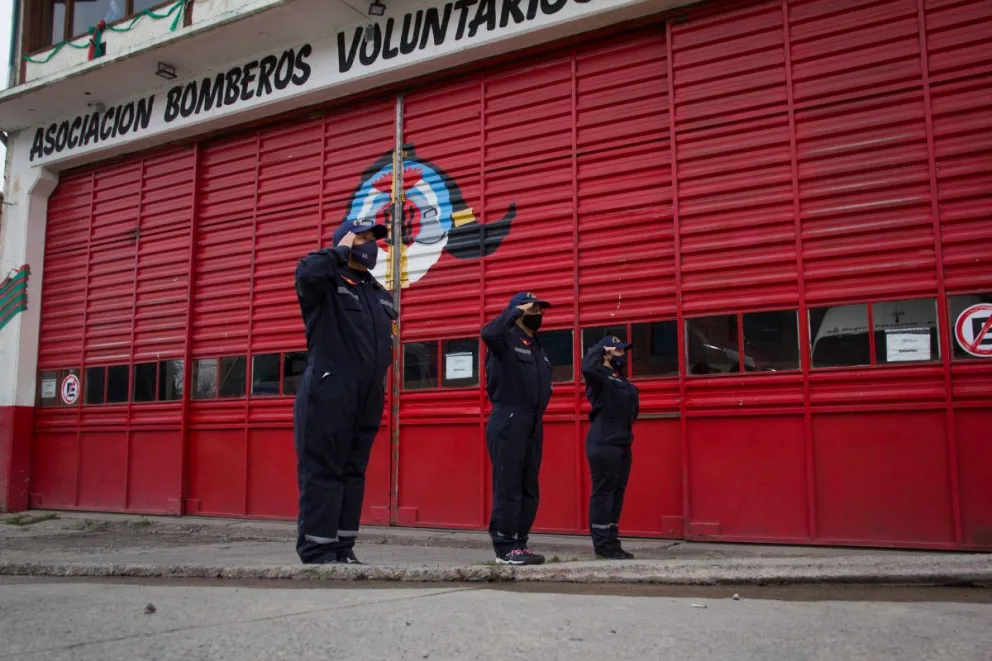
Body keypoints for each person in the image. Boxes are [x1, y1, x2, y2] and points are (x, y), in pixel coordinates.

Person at [292, 217, 395, 564]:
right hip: (330, 387)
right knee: (325, 469)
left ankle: (342, 548)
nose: (369, 244)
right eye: (362, 237)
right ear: (346, 241)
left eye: (373, 239)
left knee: (353, 472)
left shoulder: (377, 292)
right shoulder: (324, 281)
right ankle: (318, 550)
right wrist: (338, 251)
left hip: (367, 394)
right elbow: (306, 272)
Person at [481, 292, 554, 565]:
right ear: (519, 310)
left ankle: (520, 543)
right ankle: (504, 546)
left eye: (541, 310)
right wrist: (513, 313)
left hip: (533, 422)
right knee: (509, 485)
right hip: (509, 417)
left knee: (528, 487)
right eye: (534, 308)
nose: (540, 314)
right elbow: (488, 333)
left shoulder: (535, 346)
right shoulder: (505, 339)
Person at [582, 336, 639, 559]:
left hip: (622, 441)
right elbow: (587, 367)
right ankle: (602, 544)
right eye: (618, 349)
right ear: (606, 352)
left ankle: (612, 540)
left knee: (617, 492)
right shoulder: (597, 376)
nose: (623, 353)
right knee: (604, 491)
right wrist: (599, 348)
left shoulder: (617, 376)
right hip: (604, 441)